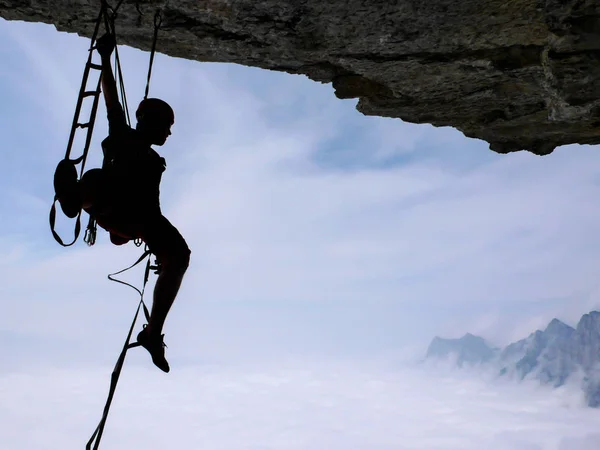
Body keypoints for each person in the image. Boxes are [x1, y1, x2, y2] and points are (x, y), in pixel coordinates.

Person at [74, 32, 191, 373]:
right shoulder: (124, 137)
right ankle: (77, 195)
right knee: (96, 180)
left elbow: (114, 106)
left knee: (180, 256)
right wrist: (105, 60)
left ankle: (153, 333)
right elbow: (112, 101)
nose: (169, 133)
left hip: (132, 217)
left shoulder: (140, 149)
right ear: (152, 123)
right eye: (167, 126)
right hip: (121, 211)